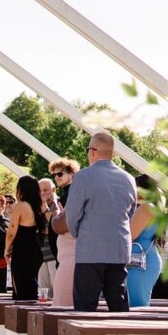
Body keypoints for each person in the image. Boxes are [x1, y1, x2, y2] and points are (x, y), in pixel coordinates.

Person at [61, 132, 137, 312]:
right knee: (118, 304)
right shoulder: (128, 179)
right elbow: (130, 213)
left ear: (93, 152)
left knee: (85, 307)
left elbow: (72, 214)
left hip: (90, 250)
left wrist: (80, 233)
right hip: (119, 249)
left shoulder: (83, 177)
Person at [4, 176, 45, 300]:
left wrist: (6, 250)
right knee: (32, 286)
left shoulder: (20, 206)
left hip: (22, 250)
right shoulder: (39, 205)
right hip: (35, 249)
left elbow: (11, 232)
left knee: (20, 287)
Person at [126, 175, 162, 307]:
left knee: (137, 305)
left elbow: (130, 235)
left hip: (140, 263)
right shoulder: (151, 207)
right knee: (138, 304)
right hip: (142, 260)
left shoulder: (146, 208)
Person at [49, 158, 80, 306]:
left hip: (70, 255)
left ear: (72, 174)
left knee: (61, 303)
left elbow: (66, 224)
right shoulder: (66, 194)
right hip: (63, 255)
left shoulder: (73, 194)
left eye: (60, 174)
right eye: (54, 175)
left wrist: (56, 214)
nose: (56, 177)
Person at [37, 178, 58, 294]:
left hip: (54, 256)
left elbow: (54, 226)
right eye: (40, 191)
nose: (43, 193)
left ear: (53, 189)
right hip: (41, 256)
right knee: (43, 293)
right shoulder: (37, 208)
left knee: (57, 291)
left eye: (45, 190)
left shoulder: (58, 204)